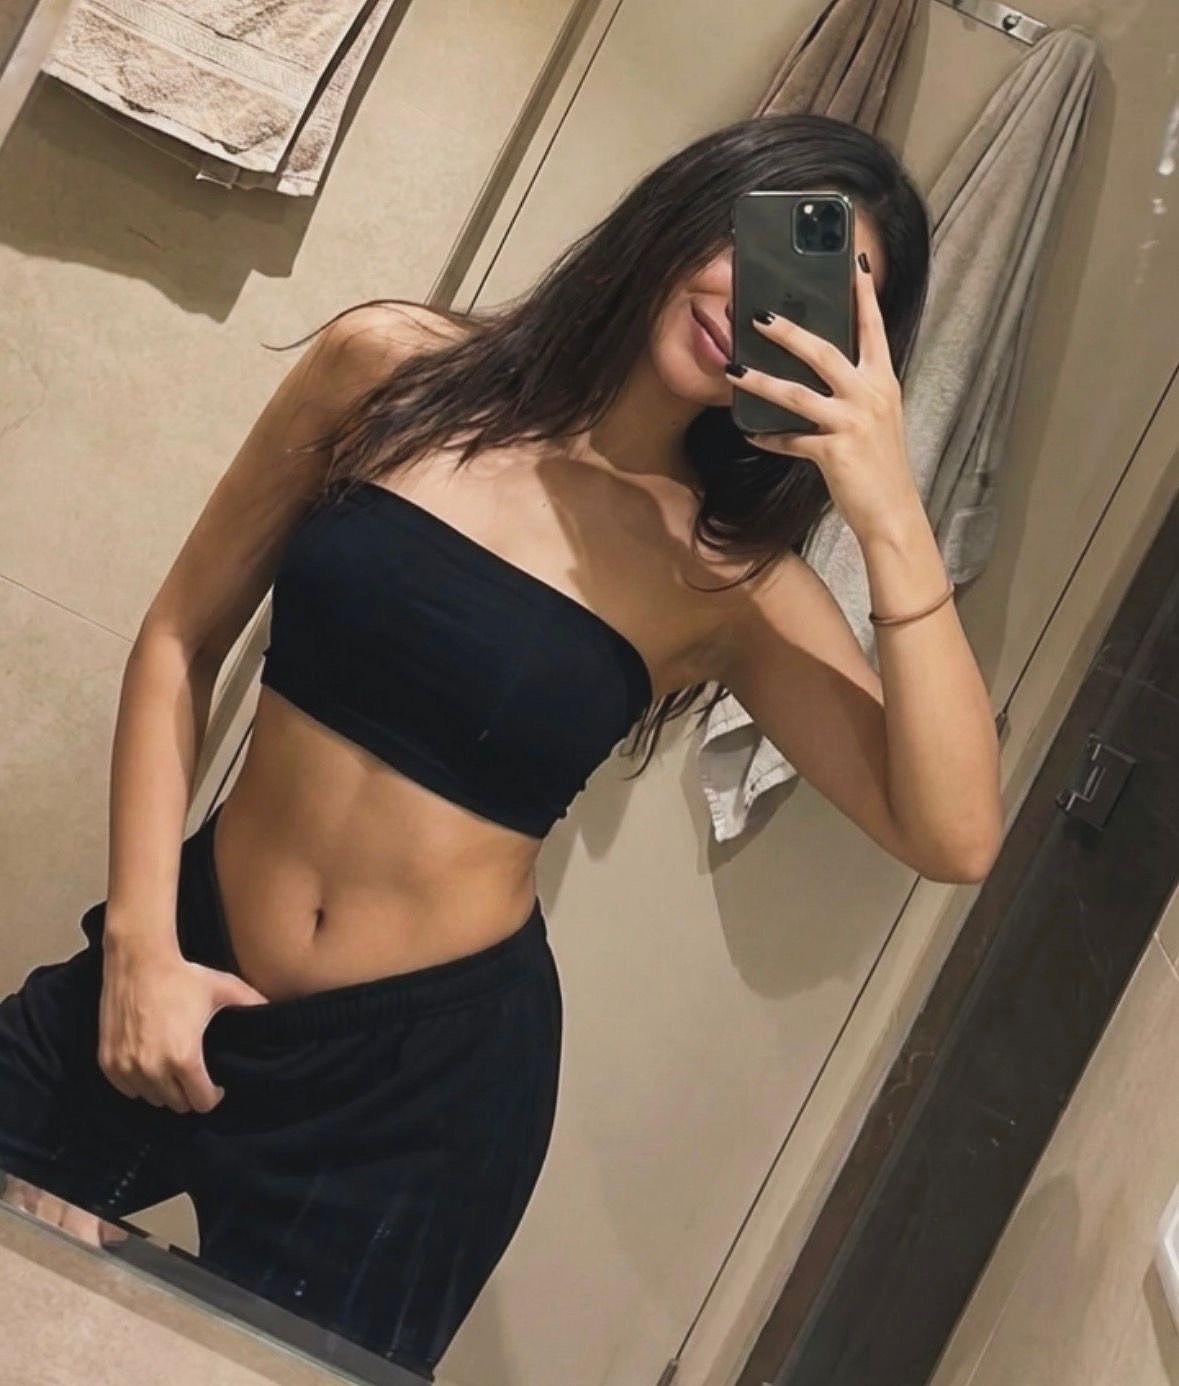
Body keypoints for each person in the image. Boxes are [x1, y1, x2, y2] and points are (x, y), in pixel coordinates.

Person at [0, 111, 1001, 1379]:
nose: (758, 301)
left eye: (822, 296)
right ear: (691, 207)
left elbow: (955, 834)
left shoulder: (730, 579)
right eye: (766, 239)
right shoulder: (388, 370)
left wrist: (890, 508)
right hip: (185, 943)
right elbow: (178, 640)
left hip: (417, 1098)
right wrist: (140, 946)